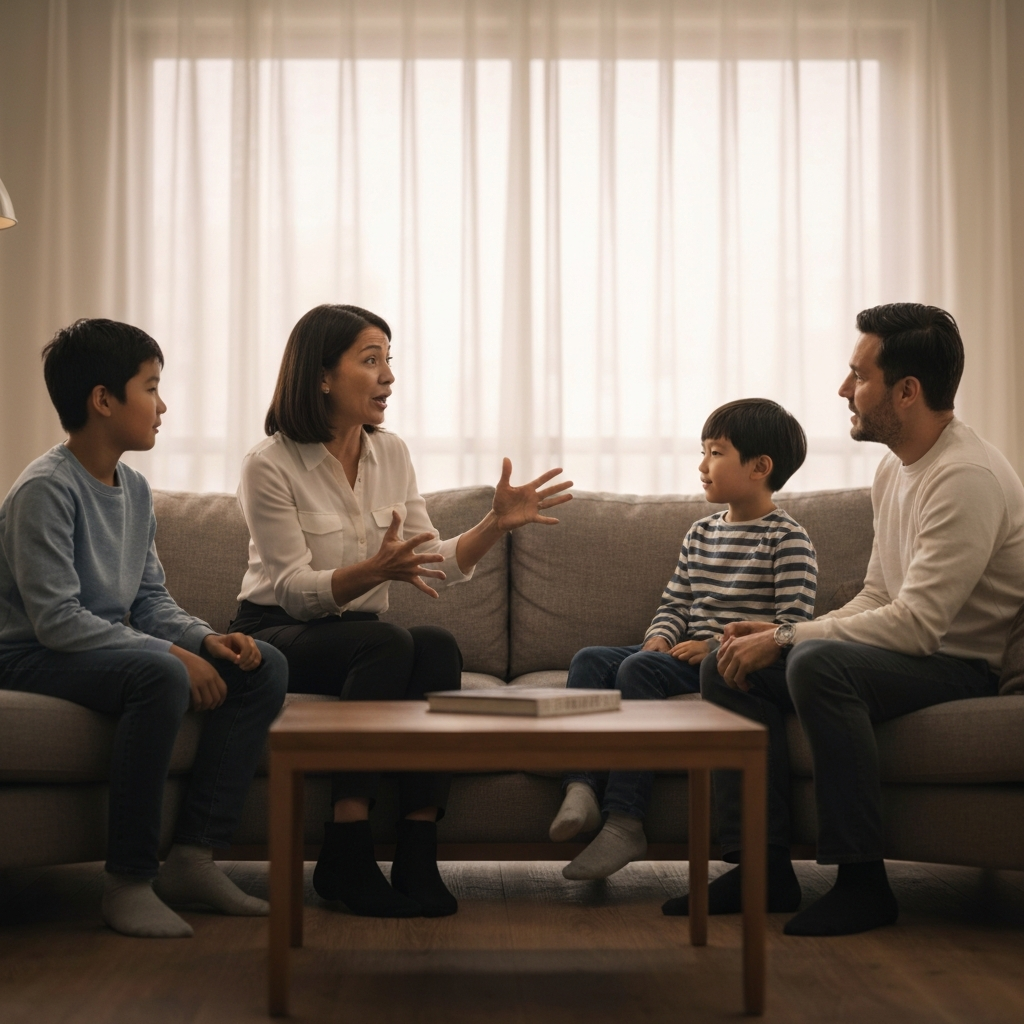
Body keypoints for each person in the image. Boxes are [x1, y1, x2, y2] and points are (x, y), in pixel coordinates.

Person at [669, 303, 1024, 936]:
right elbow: (876, 594)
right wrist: (769, 640)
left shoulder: (965, 477)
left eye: (858, 375)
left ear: (907, 391)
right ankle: (763, 870)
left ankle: (863, 883)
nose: (843, 390)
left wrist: (789, 636)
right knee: (727, 665)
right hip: (911, 653)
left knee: (817, 660)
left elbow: (918, 627)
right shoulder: (895, 469)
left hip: (959, 666)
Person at [231, 303, 572, 919]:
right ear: (322, 376)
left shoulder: (391, 454)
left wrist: (495, 524)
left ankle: (418, 847)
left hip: (360, 637)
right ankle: (347, 849)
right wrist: (372, 572)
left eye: (390, 360)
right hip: (280, 632)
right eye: (371, 360)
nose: (388, 376)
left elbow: (427, 557)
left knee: (437, 645)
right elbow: (290, 588)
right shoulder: (270, 464)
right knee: (387, 642)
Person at [0, 319, 288, 939]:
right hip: (27, 653)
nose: (163, 406)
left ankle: (193, 858)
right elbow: (55, 621)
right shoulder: (46, 490)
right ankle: (128, 880)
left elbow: (150, 599)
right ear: (103, 400)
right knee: (158, 673)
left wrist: (206, 641)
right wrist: (169, 655)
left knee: (265, 663)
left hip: (95, 647)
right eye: (151, 388)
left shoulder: (132, 488)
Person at [550, 398, 818, 881]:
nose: (702, 466)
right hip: (683, 650)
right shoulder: (700, 533)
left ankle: (625, 820)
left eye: (716, 453)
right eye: (703, 451)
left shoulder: (787, 539)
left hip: (730, 661)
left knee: (638, 671)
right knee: (590, 660)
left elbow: (789, 629)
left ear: (760, 467)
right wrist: (659, 636)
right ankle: (580, 787)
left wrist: (714, 648)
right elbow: (676, 602)